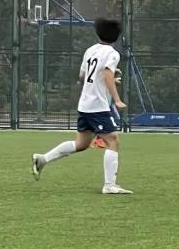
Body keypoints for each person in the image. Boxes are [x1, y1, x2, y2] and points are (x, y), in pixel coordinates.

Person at [32, 18, 131, 194]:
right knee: (113, 140)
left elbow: (82, 76)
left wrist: (106, 80)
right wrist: (117, 99)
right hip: (97, 105)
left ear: (98, 34)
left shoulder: (90, 50)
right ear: (117, 37)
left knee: (81, 144)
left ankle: (43, 159)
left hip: (85, 104)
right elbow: (107, 74)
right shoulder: (113, 53)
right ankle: (109, 185)